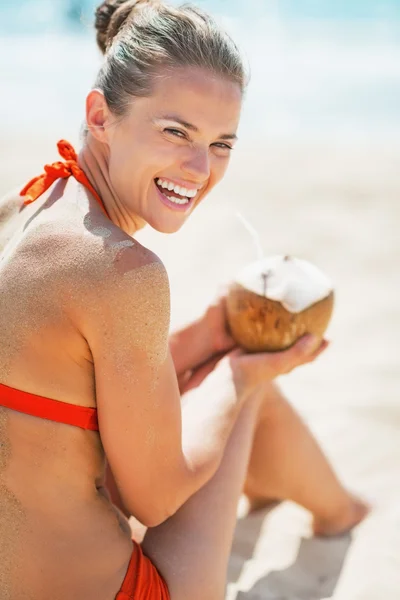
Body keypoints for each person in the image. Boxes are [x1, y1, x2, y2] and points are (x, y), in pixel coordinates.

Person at [0, 1, 368, 598]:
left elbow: (76, 388)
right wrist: (242, 371)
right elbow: (157, 495)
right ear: (100, 115)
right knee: (242, 386)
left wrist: (205, 334)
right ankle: (343, 515)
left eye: (223, 144)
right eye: (176, 132)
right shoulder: (121, 269)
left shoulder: (23, 210)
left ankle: (338, 508)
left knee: (220, 361)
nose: (199, 168)